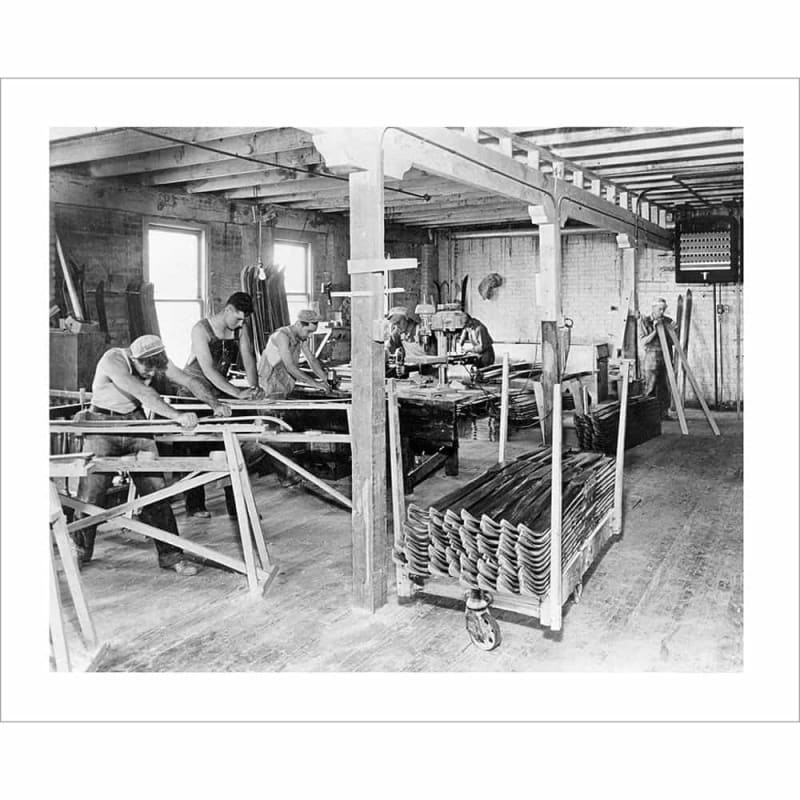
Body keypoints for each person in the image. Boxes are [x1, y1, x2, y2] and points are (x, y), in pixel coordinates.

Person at [72, 335, 230, 575]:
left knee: (157, 492)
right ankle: (79, 552)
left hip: (136, 422)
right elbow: (144, 394)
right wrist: (176, 416)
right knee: (90, 494)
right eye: (146, 367)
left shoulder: (154, 361)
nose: (150, 373)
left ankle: (171, 555)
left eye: (155, 367)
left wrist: (214, 403)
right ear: (134, 358)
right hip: (102, 426)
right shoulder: (113, 359)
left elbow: (189, 380)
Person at [180, 292, 265, 517]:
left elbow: (248, 356)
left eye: (243, 320)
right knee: (197, 449)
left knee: (230, 446)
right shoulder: (201, 329)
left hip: (219, 388)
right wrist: (238, 393)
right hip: (194, 391)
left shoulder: (240, 327)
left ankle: (237, 508)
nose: (240, 323)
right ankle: (194, 505)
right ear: (227, 309)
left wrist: (254, 388)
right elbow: (207, 370)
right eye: (237, 318)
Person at [257, 309, 331, 398]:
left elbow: (311, 359)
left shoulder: (301, 337)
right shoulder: (282, 336)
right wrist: (316, 384)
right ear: (299, 324)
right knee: (271, 410)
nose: (310, 336)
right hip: (268, 383)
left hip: (283, 382)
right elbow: (290, 367)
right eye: (309, 331)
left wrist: (326, 379)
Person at [638, 298, 675, 419]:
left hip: (666, 358)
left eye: (664, 309)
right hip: (652, 359)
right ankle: (648, 416)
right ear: (653, 308)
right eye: (660, 309)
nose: (662, 312)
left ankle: (664, 414)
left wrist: (674, 331)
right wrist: (655, 330)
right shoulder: (644, 321)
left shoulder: (668, 321)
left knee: (665, 388)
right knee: (650, 387)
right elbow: (644, 341)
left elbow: (673, 343)